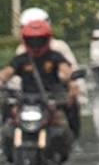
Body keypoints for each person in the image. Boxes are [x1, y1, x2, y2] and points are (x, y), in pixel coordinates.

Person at [0, 18, 77, 165]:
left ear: (47, 39)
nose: (36, 44)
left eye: (39, 40)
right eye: (32, 40)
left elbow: (65, 70)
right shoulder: (21, 59)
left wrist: (68, 81)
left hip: (50, 100)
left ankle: (66, 155)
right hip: (27, 100)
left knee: (64, 125)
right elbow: (7, 72)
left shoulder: (54, 56)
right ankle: (10, 160)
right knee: (8, 129)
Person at [13, 7, 82, 140]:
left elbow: (71, 71)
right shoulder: (21, 51)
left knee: (72, 106)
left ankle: (73, 138)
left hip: (55, 93)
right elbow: (13, 75)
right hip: (29, 95)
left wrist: (70, 84)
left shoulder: (59, 48)